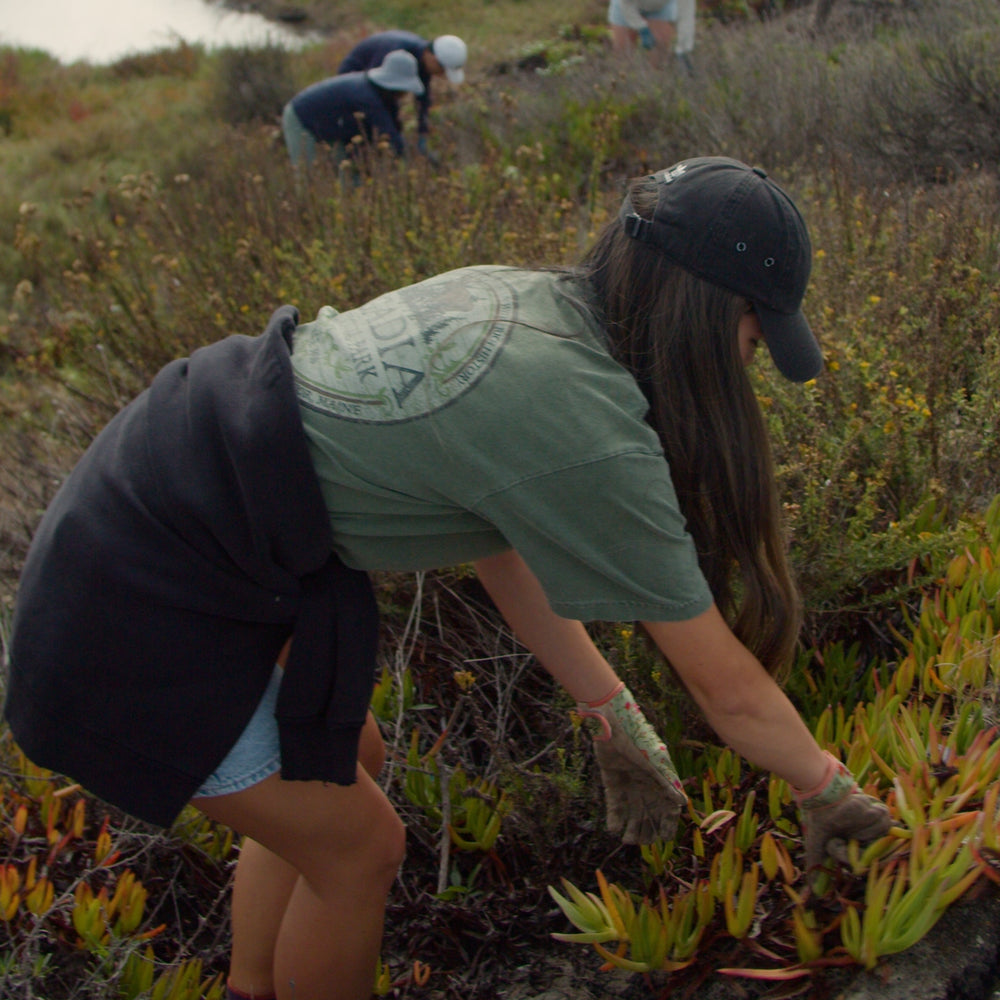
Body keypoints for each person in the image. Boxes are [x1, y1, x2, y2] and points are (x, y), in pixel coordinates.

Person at [5, 156, 892, 1000]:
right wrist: (827, 789)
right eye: (750, 338)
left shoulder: (521, 303)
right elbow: (726, 686)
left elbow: (500, 539)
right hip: (140, 592)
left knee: (343, 764)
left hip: (161, 498)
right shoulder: (581, 419)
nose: (746, 369)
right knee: (357, 850)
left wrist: (606, 709)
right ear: (703, 314)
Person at [281, 48, 424, 168]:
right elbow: (387, 131)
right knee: (307, 173)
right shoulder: (366, 96)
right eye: (403, 90)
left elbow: (393, 126)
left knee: (349, 172)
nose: (404, 95)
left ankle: (349, 198)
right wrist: (414, 158)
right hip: (300, 118)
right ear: (393, 86)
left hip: (332, 125)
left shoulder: (381, 94)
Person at [337, 31, 467, 163]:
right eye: (443, 70)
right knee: (366, 123)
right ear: (434, 59)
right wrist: (396, 141)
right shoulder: (394, 53)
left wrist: (423, 132)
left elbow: (423, 98)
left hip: (372, 87)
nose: (442, 75)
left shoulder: (423, 59)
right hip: (353, 80)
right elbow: (377, 93)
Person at [609, 0, 678, 59]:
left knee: (660, 56)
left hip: (660, 6)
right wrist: (642, 28)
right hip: (626, 5)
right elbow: (626, 7)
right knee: (623, 55)